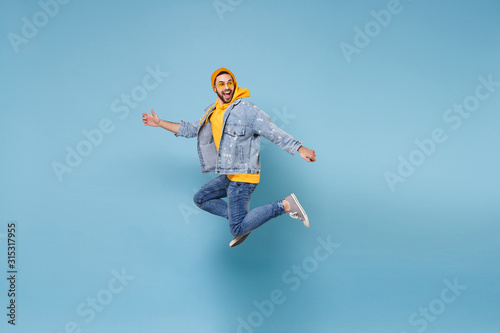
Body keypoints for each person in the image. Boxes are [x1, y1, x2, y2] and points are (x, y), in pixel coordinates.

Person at [142, 68, 316, 247]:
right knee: (200, 199)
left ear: (234, 85)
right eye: (221, 84)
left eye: (229, 83)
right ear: (214, 88)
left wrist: (299, 148)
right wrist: (160, 123)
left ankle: (285, 205)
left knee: (237, 229)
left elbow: (272, 131)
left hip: (243, 178)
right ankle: (241, 218)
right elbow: (191, 130)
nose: (226, 87)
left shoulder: (246, 110)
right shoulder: (212, 111)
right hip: (229, 174)